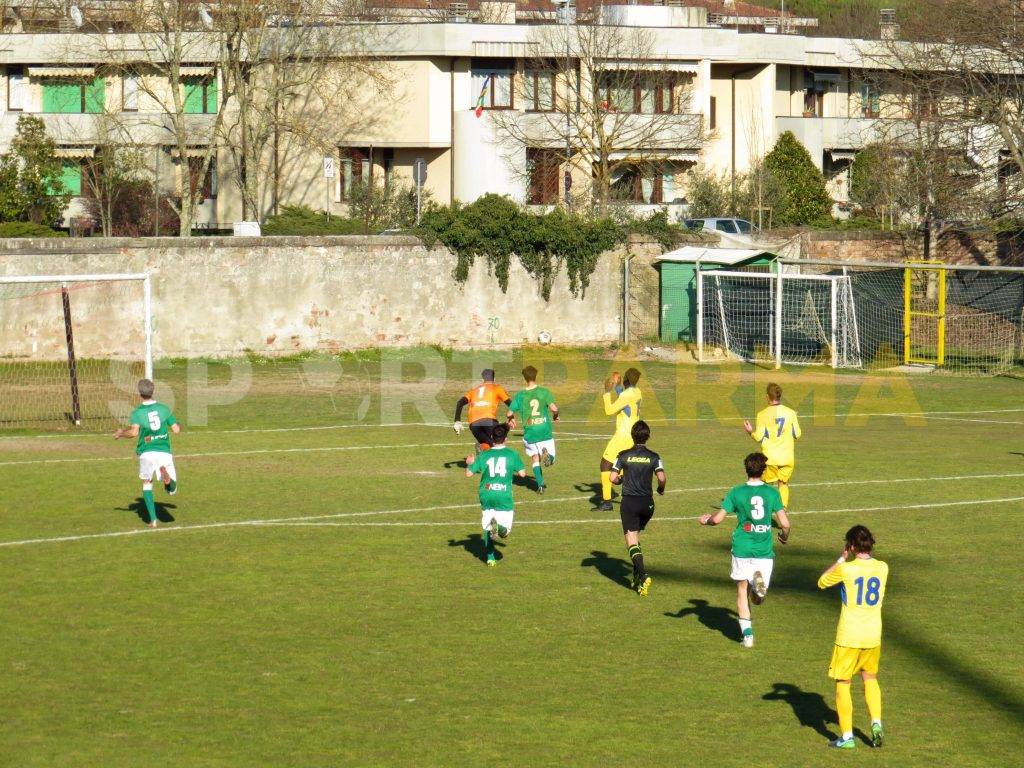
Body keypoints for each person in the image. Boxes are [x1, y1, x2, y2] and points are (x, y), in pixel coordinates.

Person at [699, 452, 790, 648]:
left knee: (742, 591)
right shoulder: (772, 493)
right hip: (763, 552)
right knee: (757, 599)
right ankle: (759, 590)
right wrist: (784, 536)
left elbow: (717, 519)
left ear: (746, 469)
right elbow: (785, 523)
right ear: (764, 471)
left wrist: (706, 520)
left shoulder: (736, 492)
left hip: (741, 548)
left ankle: (747, 637)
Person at [817, 525, 888, 750]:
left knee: (843, 683)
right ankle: (876, 723)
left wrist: (841, 558)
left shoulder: (846, 569)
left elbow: (822, 581)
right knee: (870, 678)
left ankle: (847, 737)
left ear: (851, 546)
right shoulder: (883, 567)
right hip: (873, 635)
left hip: (849, 635)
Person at [114, 378, 181, 528]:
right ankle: (167, 480)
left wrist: (121, 433)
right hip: (164, 452)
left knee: (147, 483)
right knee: (172, 490)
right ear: (153, 391)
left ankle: (153, 520)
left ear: (139, 394)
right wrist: (177, 425)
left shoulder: (137, 413)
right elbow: (176, 430)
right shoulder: (164, 409)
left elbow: (133, 433)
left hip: (146, 453)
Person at [609, 420, 665, 597]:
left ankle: (643, 575)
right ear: (648, 436)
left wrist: (621, 481)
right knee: (635, 537)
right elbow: (662, 478)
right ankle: (637, 580)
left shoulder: (623, 455)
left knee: (631, 540)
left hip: (630, 504)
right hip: (648, 504)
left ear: (632, 436)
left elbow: (612, 478)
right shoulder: (654, 456)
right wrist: (660, 489)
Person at [465, 423, 526, 567]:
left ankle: (490, 559)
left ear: (492, 438)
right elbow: (522, 474)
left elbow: (468, 474)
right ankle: (499, 528)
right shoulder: (512, 454)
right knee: (505, 532)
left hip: (486, 494)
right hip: (503, 495)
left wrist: (469, 463)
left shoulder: (484, 455)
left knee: (487, 527)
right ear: (505, 439)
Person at [744, 382, 801, 508]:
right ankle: (783, 510)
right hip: (787, 458)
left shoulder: (762, 414)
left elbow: (758, 437)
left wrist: (750, 432)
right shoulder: (791, 413)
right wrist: (793, 419)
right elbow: (797, 434)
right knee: (783, 484)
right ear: (779, 396)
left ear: (767, 396)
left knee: (763, 484)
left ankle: (758, 509)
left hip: (770, 458)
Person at [506, 365, 559, 493]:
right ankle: (548, 456)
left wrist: (511, 418)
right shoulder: (544, 392)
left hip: (530, 433)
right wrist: (555, 416)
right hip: (544, 431)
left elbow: (509, 413)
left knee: (535, 458)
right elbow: (554, 408)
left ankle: (540, 485)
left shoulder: (520, 395)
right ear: (536, 376)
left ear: (524, 378)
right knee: (551, 459)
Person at [598, 368, 642, 512]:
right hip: (632, 434)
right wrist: (617, 387)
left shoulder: (626, 395)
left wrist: (606, 391)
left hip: (622, 436)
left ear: (626, 380)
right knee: (618, 464)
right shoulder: (637, 392)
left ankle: (607, 501)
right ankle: (621, 477)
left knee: (605, 465)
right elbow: (624, 401)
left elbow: (609, 410)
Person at [454, 369, 511, 452]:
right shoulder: (497, 388)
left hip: (474, 423)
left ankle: (481, 448)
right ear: (494, 379)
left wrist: (457, 421)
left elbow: (459, 403)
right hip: (488, 420)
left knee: (489, 445)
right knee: (499, 444)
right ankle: (483, 450)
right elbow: (510, 403)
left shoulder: (474, 390)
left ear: (483, 379)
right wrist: (511, 416)